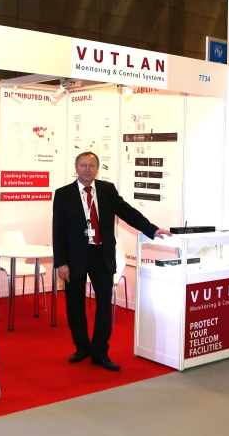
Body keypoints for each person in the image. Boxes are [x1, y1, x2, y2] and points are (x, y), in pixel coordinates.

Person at [53, 152, 172, 371]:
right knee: (75, 305)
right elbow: (57, 230)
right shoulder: (63, 194)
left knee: (104, 307)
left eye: (91, 165)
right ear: (76, 167)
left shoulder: (107, 191)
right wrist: (61, 262)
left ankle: (100, 352)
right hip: (75, 257)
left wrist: (152, 228)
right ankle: (82, 347)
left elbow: (127, 212)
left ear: (97, 168)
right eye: (83, 165)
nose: (87, 169)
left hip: (102, 256)